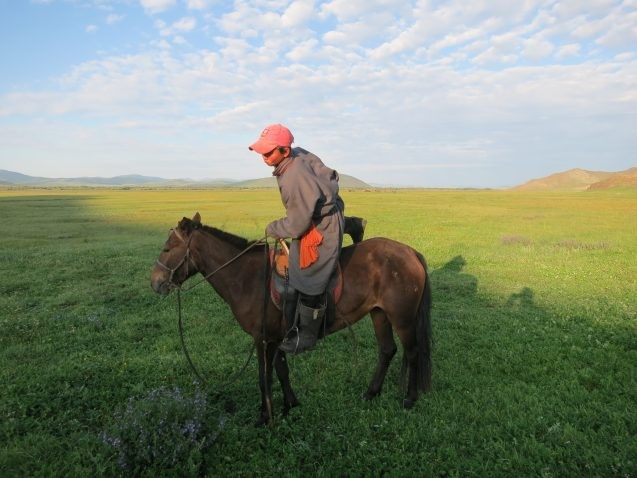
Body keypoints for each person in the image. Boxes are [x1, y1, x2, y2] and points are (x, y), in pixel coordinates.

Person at [249, 123, 345, 354]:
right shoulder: (296, 154)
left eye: (269, 151)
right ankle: (350, 223)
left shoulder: (293, 177)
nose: (264, 156)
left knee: (306, 273)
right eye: (262, 151)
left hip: (321, 225)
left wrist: (274, 227)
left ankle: (308, 334)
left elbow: (297, 224)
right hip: (320, 212)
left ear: (284, 150)